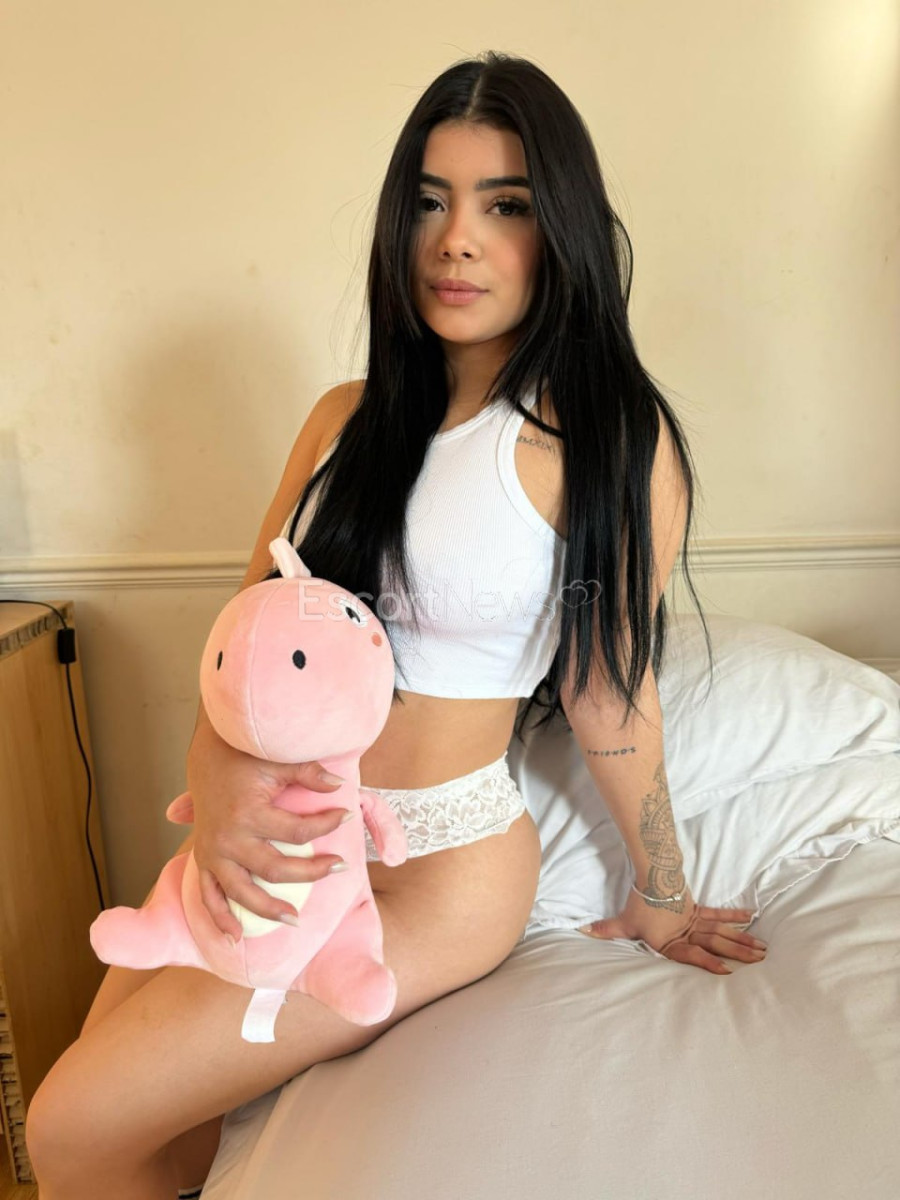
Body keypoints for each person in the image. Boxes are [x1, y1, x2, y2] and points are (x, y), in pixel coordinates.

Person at [26, 50, 768, 1198]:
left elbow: (607, 692)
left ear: (561, 228)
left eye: (503, 205)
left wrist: (663, 895)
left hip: (436, 874)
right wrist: (215, 783)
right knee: (136, 1125)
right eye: (430, 201)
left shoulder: (606, 441)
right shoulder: (344, 420)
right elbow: (243, 638)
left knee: (68, 1126)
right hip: (274, 835)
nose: (456, 239)